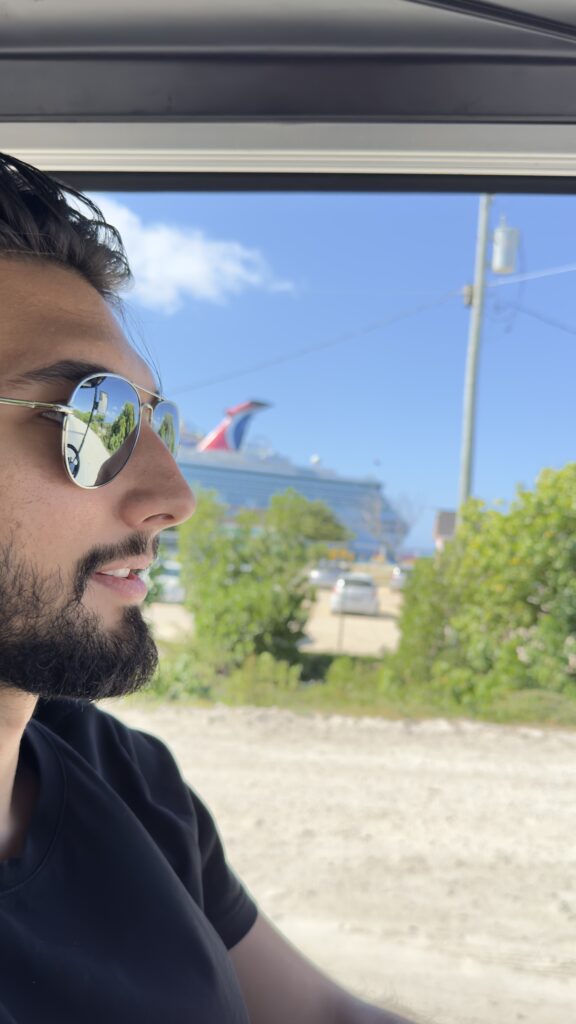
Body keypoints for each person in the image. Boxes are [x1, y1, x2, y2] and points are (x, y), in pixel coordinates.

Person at [0, 153, 418, 1024]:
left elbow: (322, 1017)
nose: (175, 497)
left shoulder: (123, 774)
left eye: (156, 422)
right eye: (92, 416)